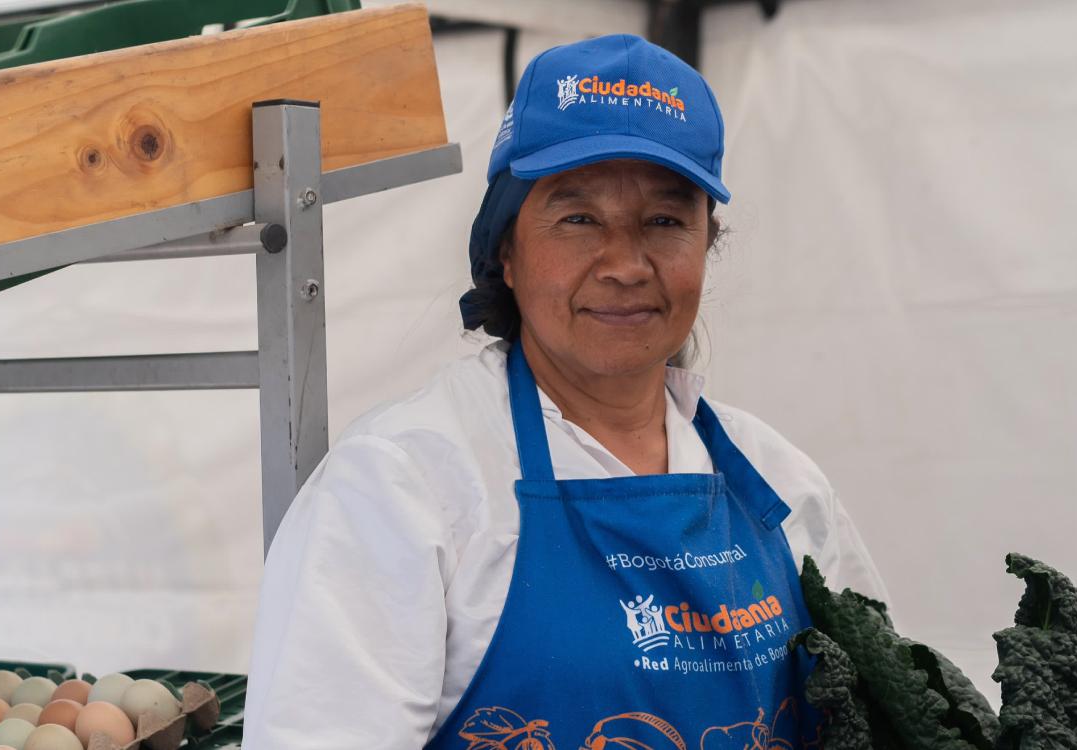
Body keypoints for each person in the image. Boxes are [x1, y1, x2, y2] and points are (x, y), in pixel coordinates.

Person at [243, 34, 888, 750]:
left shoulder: (783, 486)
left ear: (707, 245)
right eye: (578, 219)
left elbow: (876, 720)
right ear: (506, 250)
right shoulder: (402, 486)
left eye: (665, 221)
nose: (626, 265)